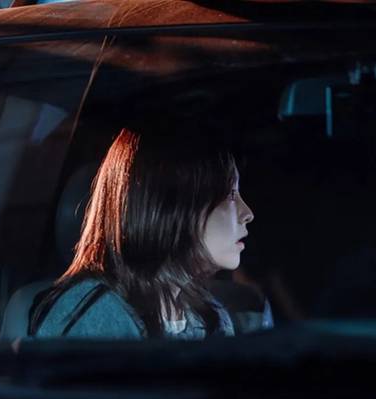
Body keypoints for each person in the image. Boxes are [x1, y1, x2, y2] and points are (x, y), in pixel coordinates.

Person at [30, 124, 271, 339]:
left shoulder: (210, 316)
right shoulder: (94, 315)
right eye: (230, 195)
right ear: (173, 207)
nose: (247, 213)